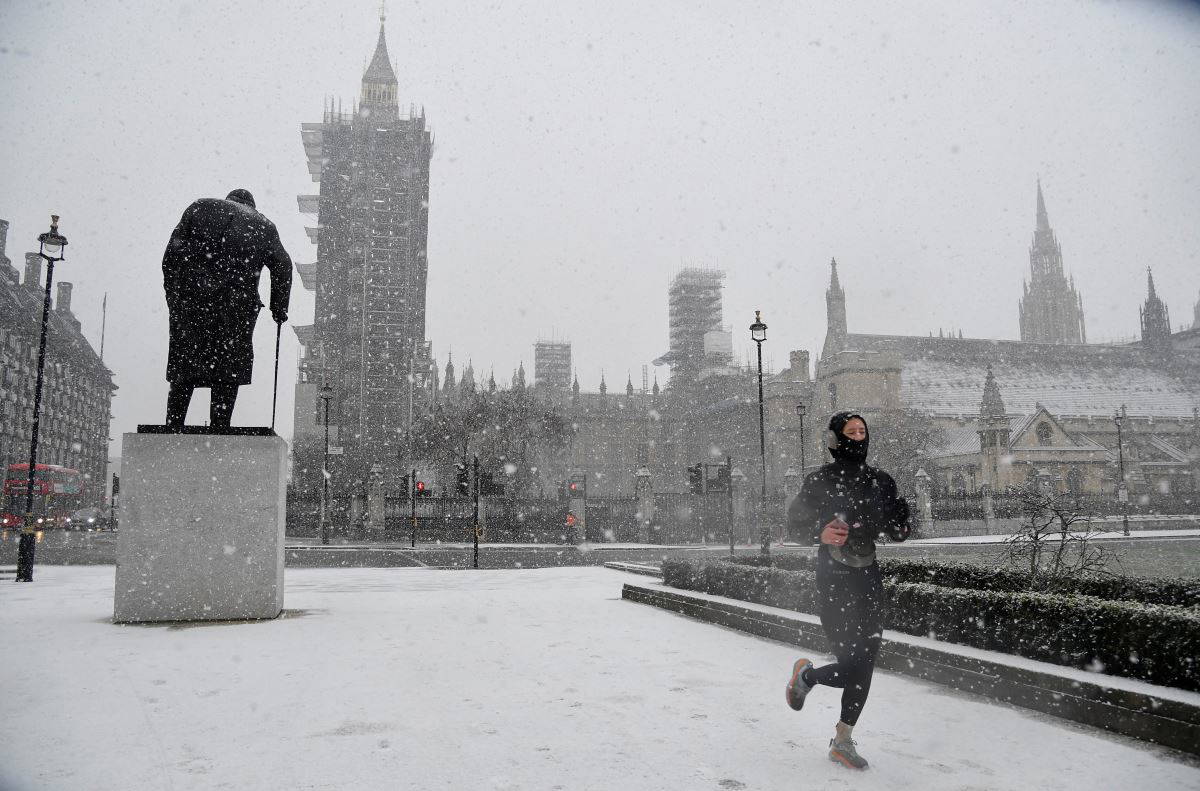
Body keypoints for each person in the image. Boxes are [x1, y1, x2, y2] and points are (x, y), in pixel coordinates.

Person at [783, 411, 912, 770]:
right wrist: (819, 534)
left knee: (865, 662)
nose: (858, 438)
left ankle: (843, 738)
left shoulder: (880, 482)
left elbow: (898, 532)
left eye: (862, 431)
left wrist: (902, 516)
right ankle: (805, 677)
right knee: (852, 664)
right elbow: (793, 527)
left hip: (867, 574)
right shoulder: (819, 481)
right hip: (833, 576)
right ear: (835, 441)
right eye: (850, 432)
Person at [161, 189, 292, 428]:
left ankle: (173, 423)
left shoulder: (198, 207)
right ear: (252, 204)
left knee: (185, 364)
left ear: (228, 199)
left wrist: (175, 295)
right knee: (228, 368)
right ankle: (220, 425)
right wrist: (279, 307)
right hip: (237, 307)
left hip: (193, 302)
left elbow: (171, 255)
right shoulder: (263, 225)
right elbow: (283, 265)